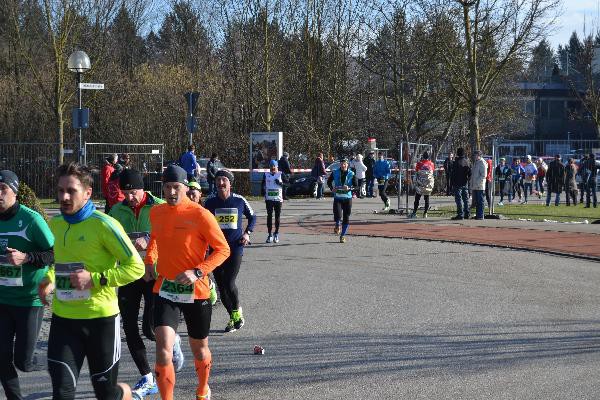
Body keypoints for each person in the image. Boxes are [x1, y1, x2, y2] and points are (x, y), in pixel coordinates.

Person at [38, 162, 145, 400]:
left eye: (71, 191)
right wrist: (49, 279)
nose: (64, 197)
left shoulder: (105, 224)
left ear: (87, 193)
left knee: (106, 394)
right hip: (64, 320)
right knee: (62, 393)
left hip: (101, 321)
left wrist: (95, 279)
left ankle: (125, 394)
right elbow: (58, 262)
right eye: (60, 191)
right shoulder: (56, 224)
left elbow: (136, 267)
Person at [144, 164, 230, 400]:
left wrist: (198, 272)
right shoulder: (157, 212)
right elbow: (155, 239)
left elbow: (223, 250)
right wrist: (150, 261)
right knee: (163, 349)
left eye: (176, 187)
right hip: (166, 288)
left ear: (186, 188)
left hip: (196, 290)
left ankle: (203, 389)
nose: (171, 192)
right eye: (167, 187)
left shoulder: (201, 215)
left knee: (199, 349)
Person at [108, 169, 170, 398]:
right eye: (125, 193)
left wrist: (151, 239)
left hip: (155, 274)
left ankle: (171, 342)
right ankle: (147, 377)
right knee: (129, 326)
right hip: (129, 275)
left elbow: (173, 236)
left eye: (133, 192)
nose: (130, 197)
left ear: (143, 189)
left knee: (151, 329)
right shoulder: (116, 210)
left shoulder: (160, 206)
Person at [0, 170, 54, 400]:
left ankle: (55, 361)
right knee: (1, 357)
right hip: (2, 300)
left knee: (23, 362)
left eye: (3, 189)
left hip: (29, 300)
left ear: (15, 191)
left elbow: (54, 253)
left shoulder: (31, 219)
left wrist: (26, 257)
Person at [204, 170, 256, 333]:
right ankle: (233, 316)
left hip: (235, 247)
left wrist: (247, 233)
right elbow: (202, 221)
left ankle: (237, 310)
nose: (220, 183)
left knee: (229, 282)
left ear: (230, 183)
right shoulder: (210, 202)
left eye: (224, 180)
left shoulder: (239, 200)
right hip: (216, 249)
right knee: (221, 285)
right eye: (218, 180)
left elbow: (253, 217)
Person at [327, 158, 357, 243]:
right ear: (340, 164)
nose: (343, 165)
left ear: (347, 165)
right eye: (341, 164)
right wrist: (332, 188)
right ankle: (337, 224)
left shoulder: (351, 173)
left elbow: (357, 186)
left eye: (345, 164)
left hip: (347, 199)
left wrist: (349, 188)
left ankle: (343, 235)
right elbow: (329, 182)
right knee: (338, 215)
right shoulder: (335, 172)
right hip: (338, 198)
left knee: (346, 217)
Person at [261, 160, 284, 243]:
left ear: (277, 167)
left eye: (274, 166)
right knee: (269, 216)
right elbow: (262, 184)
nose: (273, 168)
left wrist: (280, 183)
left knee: (277, 217)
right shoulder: (266, 174)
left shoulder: (281, 174)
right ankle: (270, 234)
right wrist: (262, 190)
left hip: (278, 199)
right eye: (271, 166)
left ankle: (276, 234)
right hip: (269, 199)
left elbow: (288, 184)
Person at [409, 152, 435, 219]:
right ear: (428, 157)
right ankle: (425, 213)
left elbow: (417, 171)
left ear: (423, 156)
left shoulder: (419, 164)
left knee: (417, 198)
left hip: (420, 184)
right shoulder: (432, 164)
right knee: (427, 198)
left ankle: (414, 213)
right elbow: (432, 172)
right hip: (428, 184)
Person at [451, 148, 471, 220]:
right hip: (465, 182)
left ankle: (460, 214)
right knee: (466, 199)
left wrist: (452, 183)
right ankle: (467, 213)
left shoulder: (456, 162)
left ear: (458, 153)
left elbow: (453, 174)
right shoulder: (467, 161)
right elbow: (470, 173)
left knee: (458, 199)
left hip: (457, 183)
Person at [470, 150, 487, 220]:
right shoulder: (476, 162)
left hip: (480, 185)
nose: (474, 156)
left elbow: (484, 175)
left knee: (480, 201)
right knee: (476, 201)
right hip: (475, 185)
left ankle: (480, 215)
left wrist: (477, 182)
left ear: (479, 155)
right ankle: (478, 215)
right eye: (474, 155)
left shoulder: (482, 162)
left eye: (476, 155)